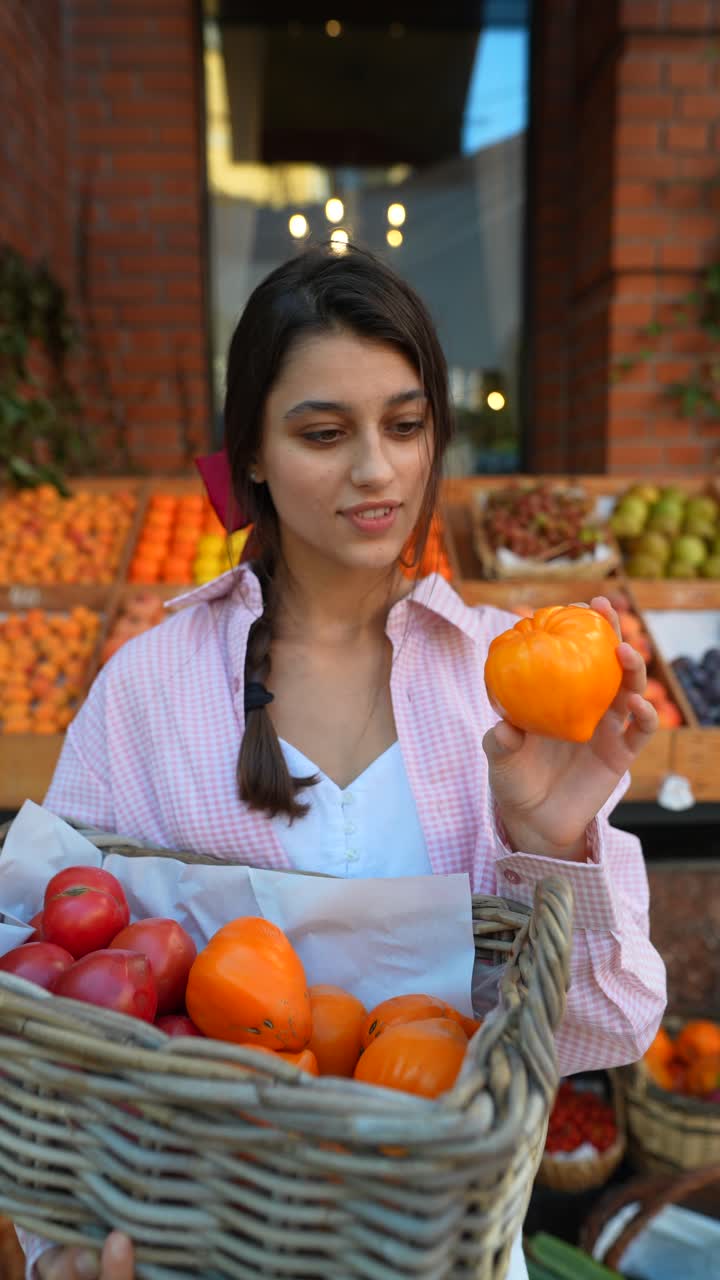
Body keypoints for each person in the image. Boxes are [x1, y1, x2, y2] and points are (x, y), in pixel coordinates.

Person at [18, 244, 666, 1280]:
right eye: (325, 432)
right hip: (200, 1246)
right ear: (255, 456)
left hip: (442, 1251)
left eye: (406, 425)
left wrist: (551, 848)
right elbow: (54, 1016)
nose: (378, 469)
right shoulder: (151, 690)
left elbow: (607, 1024)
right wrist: (63, 1250)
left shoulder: (504, 682)